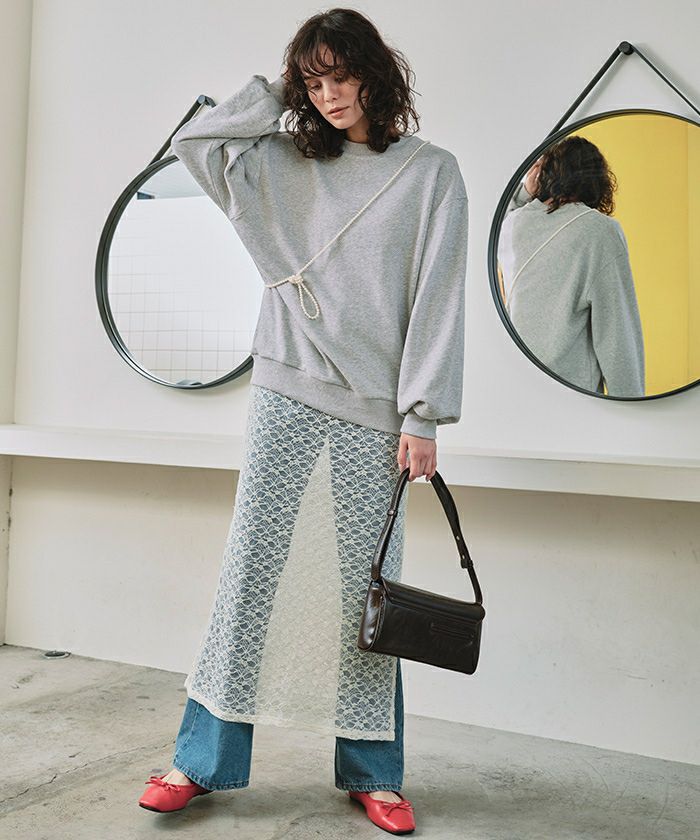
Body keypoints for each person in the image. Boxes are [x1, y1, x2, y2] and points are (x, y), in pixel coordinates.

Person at [137, 8, 468, 835]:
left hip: (375, 406)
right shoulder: (285, 163)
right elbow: (195, 144)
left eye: (340, 76)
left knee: (369, 589)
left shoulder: (431, 174)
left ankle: (374, 772)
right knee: (251, 567)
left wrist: (423, 415)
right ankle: (199, 761)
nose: (329, 96)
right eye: (312, 82)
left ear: (375, 74)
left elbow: (438, 297)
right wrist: (274, 93)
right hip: (286, 387)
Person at [498, 136, 645, 397]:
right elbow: (616, 332)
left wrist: (525, 191)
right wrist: (632, 405)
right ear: (596, 179)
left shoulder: (513, 225)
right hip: (573, 396)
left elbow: (501, 215)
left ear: (544, 175)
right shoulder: (598, 231)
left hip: (514, 386)